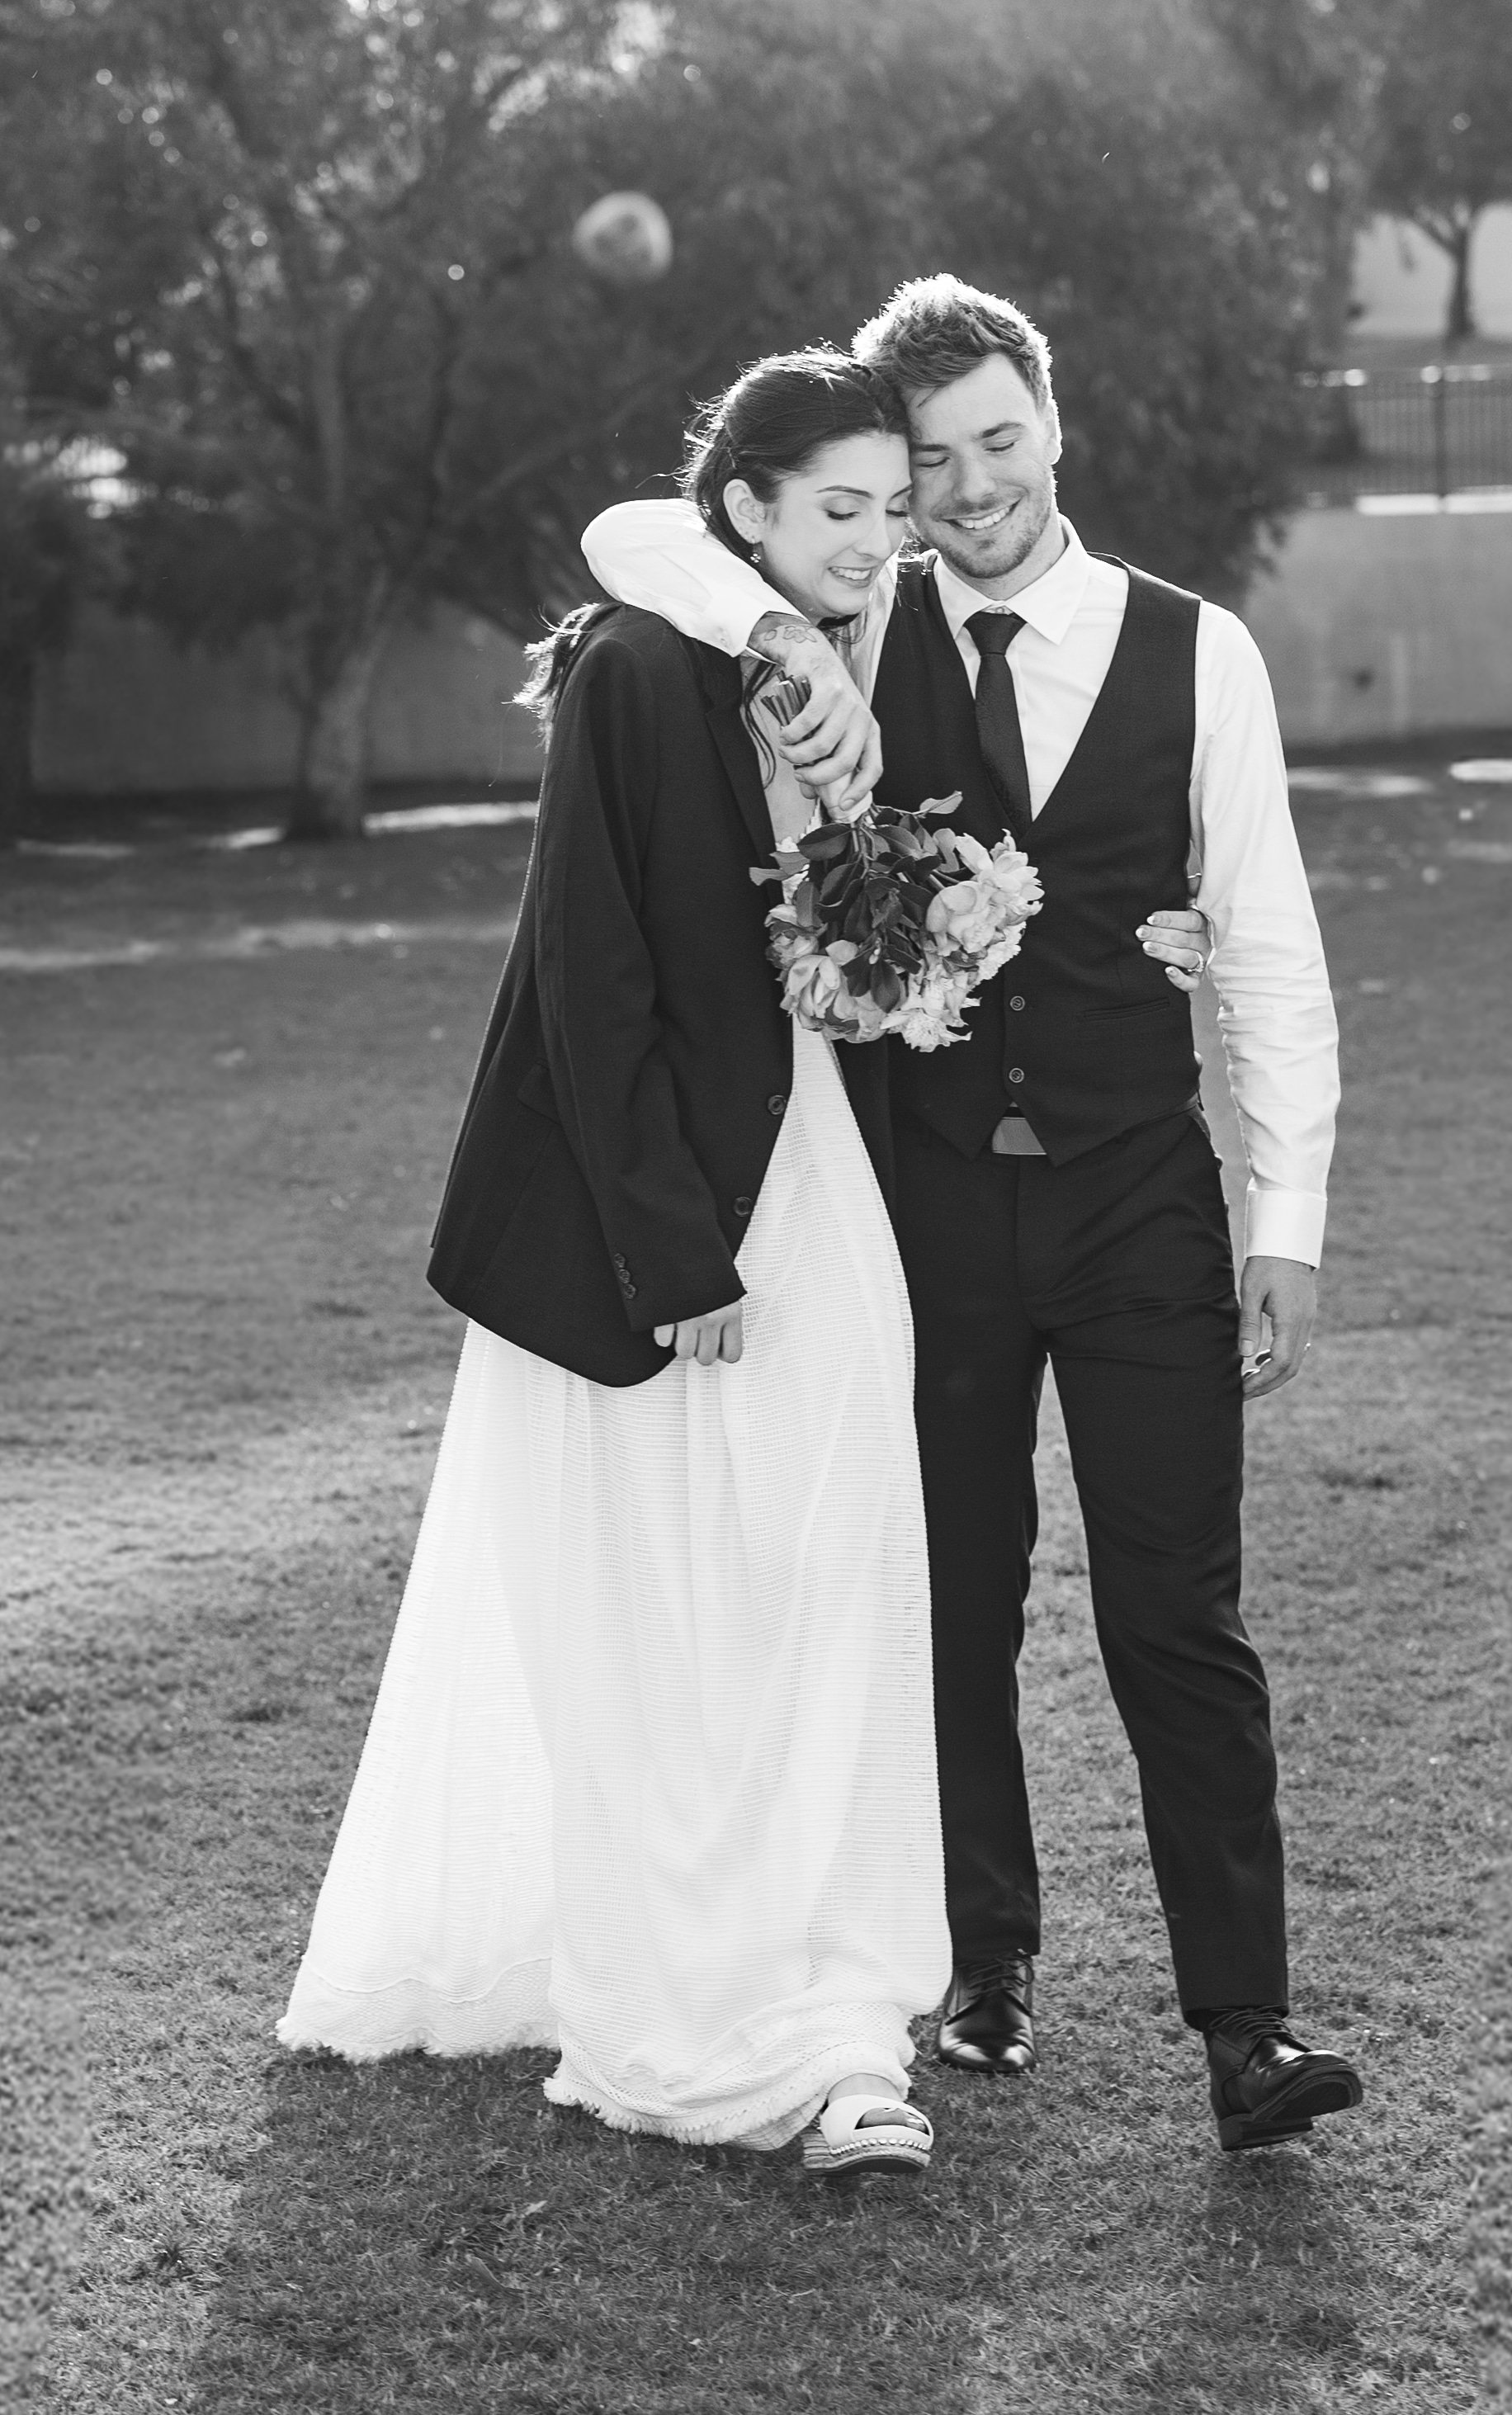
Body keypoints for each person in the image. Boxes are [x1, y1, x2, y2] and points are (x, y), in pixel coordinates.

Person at [583, 274, 1366, 2153]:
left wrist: (1287, 1212)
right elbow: (635, 533)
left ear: (1053, 425)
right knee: (948, 1598)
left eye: (996, 441)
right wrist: (772, 629)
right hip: (916, 1207)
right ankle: (977, 1961)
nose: (967, 486)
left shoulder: (1198, 651)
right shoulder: (836, 634)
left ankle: (1242, 2024)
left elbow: (1259, 938)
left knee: (1175, 1608)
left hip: (1135, 1205)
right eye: (926, 463)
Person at [279, 351, 959, 2179]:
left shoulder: (833, 661)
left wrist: (889, 962)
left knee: (830, 1571)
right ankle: (717, 2009)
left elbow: (780, 941)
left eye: (894, 511)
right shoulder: (639, 666)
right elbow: (589, 973)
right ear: (740, 507)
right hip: (666, 1215)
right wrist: (678, 1251)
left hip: (816, 1171)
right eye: (841, 506)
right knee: (682, 1611)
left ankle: (835, 1986)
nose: (876, 542)